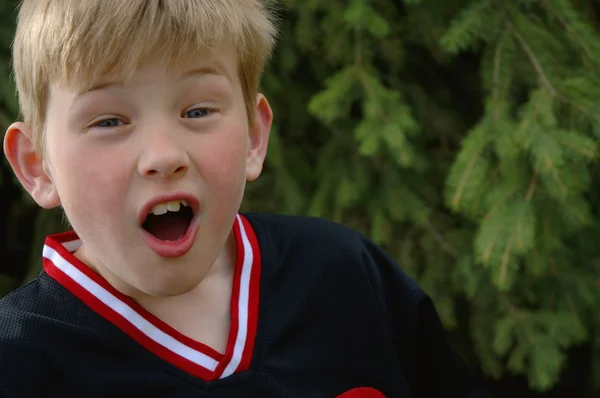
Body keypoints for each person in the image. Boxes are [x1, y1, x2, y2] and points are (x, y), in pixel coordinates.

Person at [0, 1, 489, 397]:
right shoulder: (17, 361)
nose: (164, 156)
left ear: (254, 136)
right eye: (109, 121)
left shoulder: (345, 275)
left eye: (197, 110)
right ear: (37, 165)